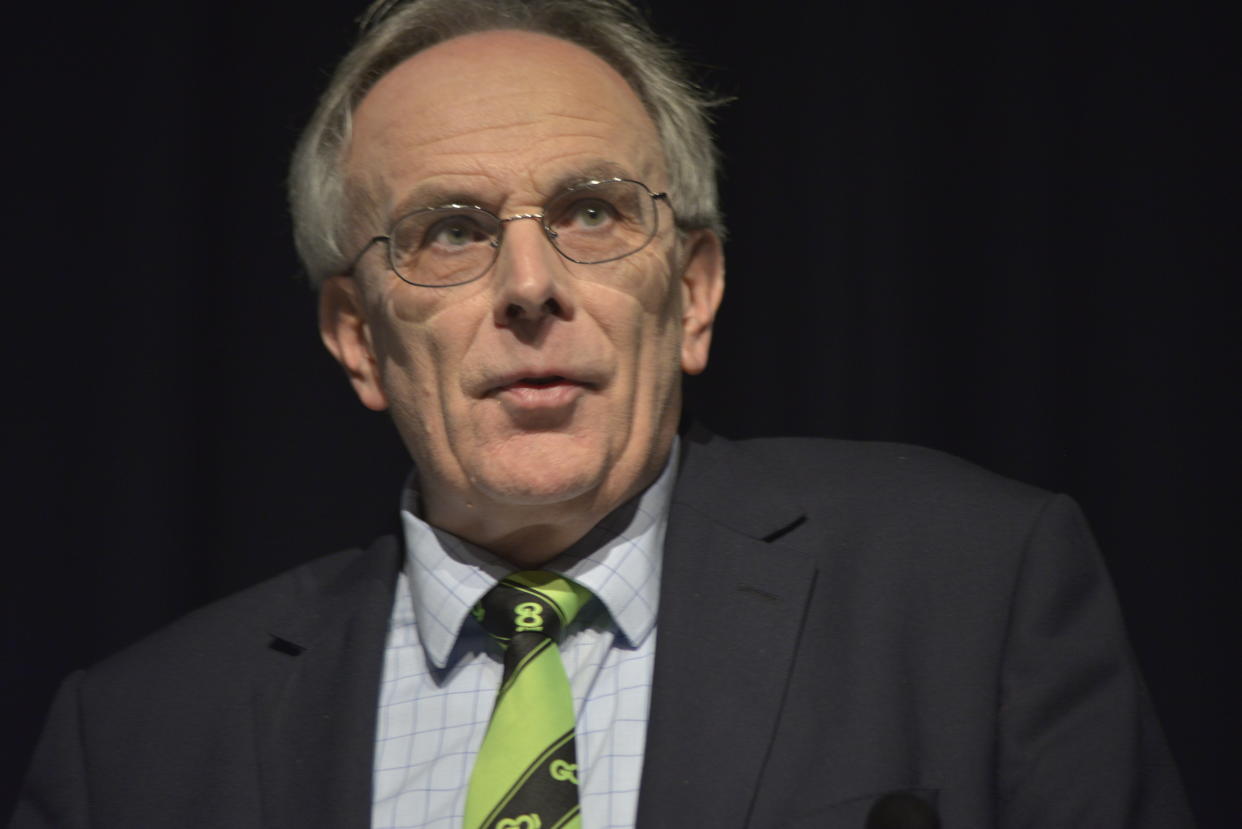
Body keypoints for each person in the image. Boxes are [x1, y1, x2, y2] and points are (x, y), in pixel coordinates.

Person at [11, 0, 1195, 827]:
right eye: (452, 230)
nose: (531, 287)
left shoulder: (970, 591)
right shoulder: (136, 744)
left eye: (590, 211)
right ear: (357, 337)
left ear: (692, 291)